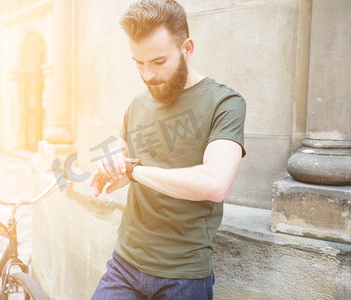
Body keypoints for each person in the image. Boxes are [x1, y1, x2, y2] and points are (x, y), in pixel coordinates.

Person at [90, 0, 246, 299]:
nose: (148, 74)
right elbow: (122, 155)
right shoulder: (138, 102)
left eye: (159, 61)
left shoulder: (225, 103)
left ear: (187, 48)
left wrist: (135, 171)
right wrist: (110, 162)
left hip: (183, 276)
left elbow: (215, 184)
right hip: (124, 264)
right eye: (139, 62)